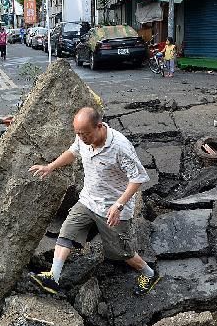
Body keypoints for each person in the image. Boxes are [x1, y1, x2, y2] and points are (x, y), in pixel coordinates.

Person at [28, 107, 160, 296]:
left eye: (85, 133)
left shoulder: (120, 147)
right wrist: (50, 167)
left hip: (113, 209)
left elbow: (138, 178)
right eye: (78, 133)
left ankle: (149, 273)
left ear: (99, 127)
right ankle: (53, 277)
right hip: (88, 201)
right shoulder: (82, 137)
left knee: (122, 252)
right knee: (67, 232)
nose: (81, 138)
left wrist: (119, 204)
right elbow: (73, 152)